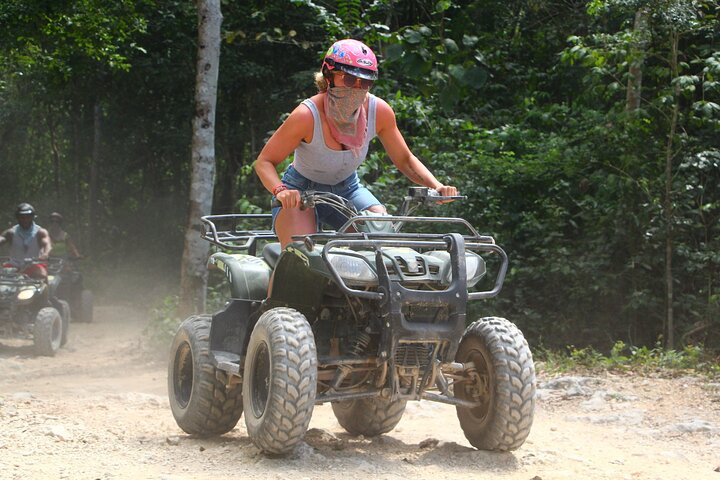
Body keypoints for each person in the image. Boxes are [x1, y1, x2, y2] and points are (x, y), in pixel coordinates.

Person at [255, 38, 458, 247]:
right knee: (299, 256)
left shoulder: (379, 111)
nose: (358, 88)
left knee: (381, 239)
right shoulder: (307, 115)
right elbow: (264, 162)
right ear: (328, 75)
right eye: (350, 80)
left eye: (366, 82)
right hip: (300, 191)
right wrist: (281, 191)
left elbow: (405, 159)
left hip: (348, 188)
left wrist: (437, 186)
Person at [0, 203, 52, 279]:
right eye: (22, 217)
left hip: (33, 265)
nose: (25, 220)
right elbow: (1, 239)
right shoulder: (10, 232)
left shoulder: (40, 232)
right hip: (14, 266)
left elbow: (48, 244)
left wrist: (46, 254)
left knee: (42, 276)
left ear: (33, 217)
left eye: (28, 217)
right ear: (17, 218)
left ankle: (48, 290)